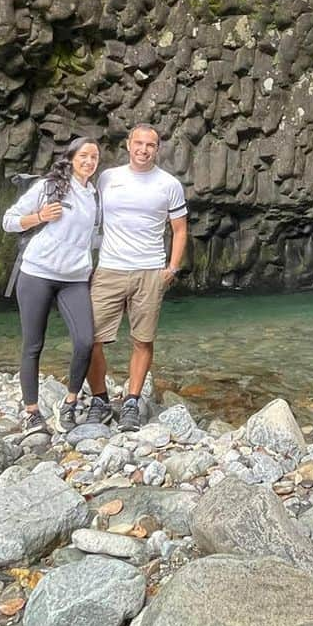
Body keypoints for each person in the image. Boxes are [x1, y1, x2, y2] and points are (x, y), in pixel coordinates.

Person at [83, 123, 188, 432]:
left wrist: (171, 268)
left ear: (158, 149)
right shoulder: (107, 178)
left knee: (143, 339)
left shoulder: (169, 184)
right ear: (128, 144)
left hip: (149, 271)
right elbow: (86, 211)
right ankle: (100, 399)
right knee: (91, 340)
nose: (144, 149)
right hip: (110, 269)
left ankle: (131, 401)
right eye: (139, 143)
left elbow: (179, 229)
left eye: (150, 145)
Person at [1, 136, 101, 434]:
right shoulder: (48, 186)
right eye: (84, 155)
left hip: (75, 278)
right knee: (33, 345)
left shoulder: (95, 195)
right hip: (37, 272)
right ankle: (32, 412)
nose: (89, 161)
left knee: (85, 341)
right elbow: (8, 220)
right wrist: (39, 216)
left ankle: (69, 403)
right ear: (71, 158)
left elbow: (93, 237)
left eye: (94, 157)